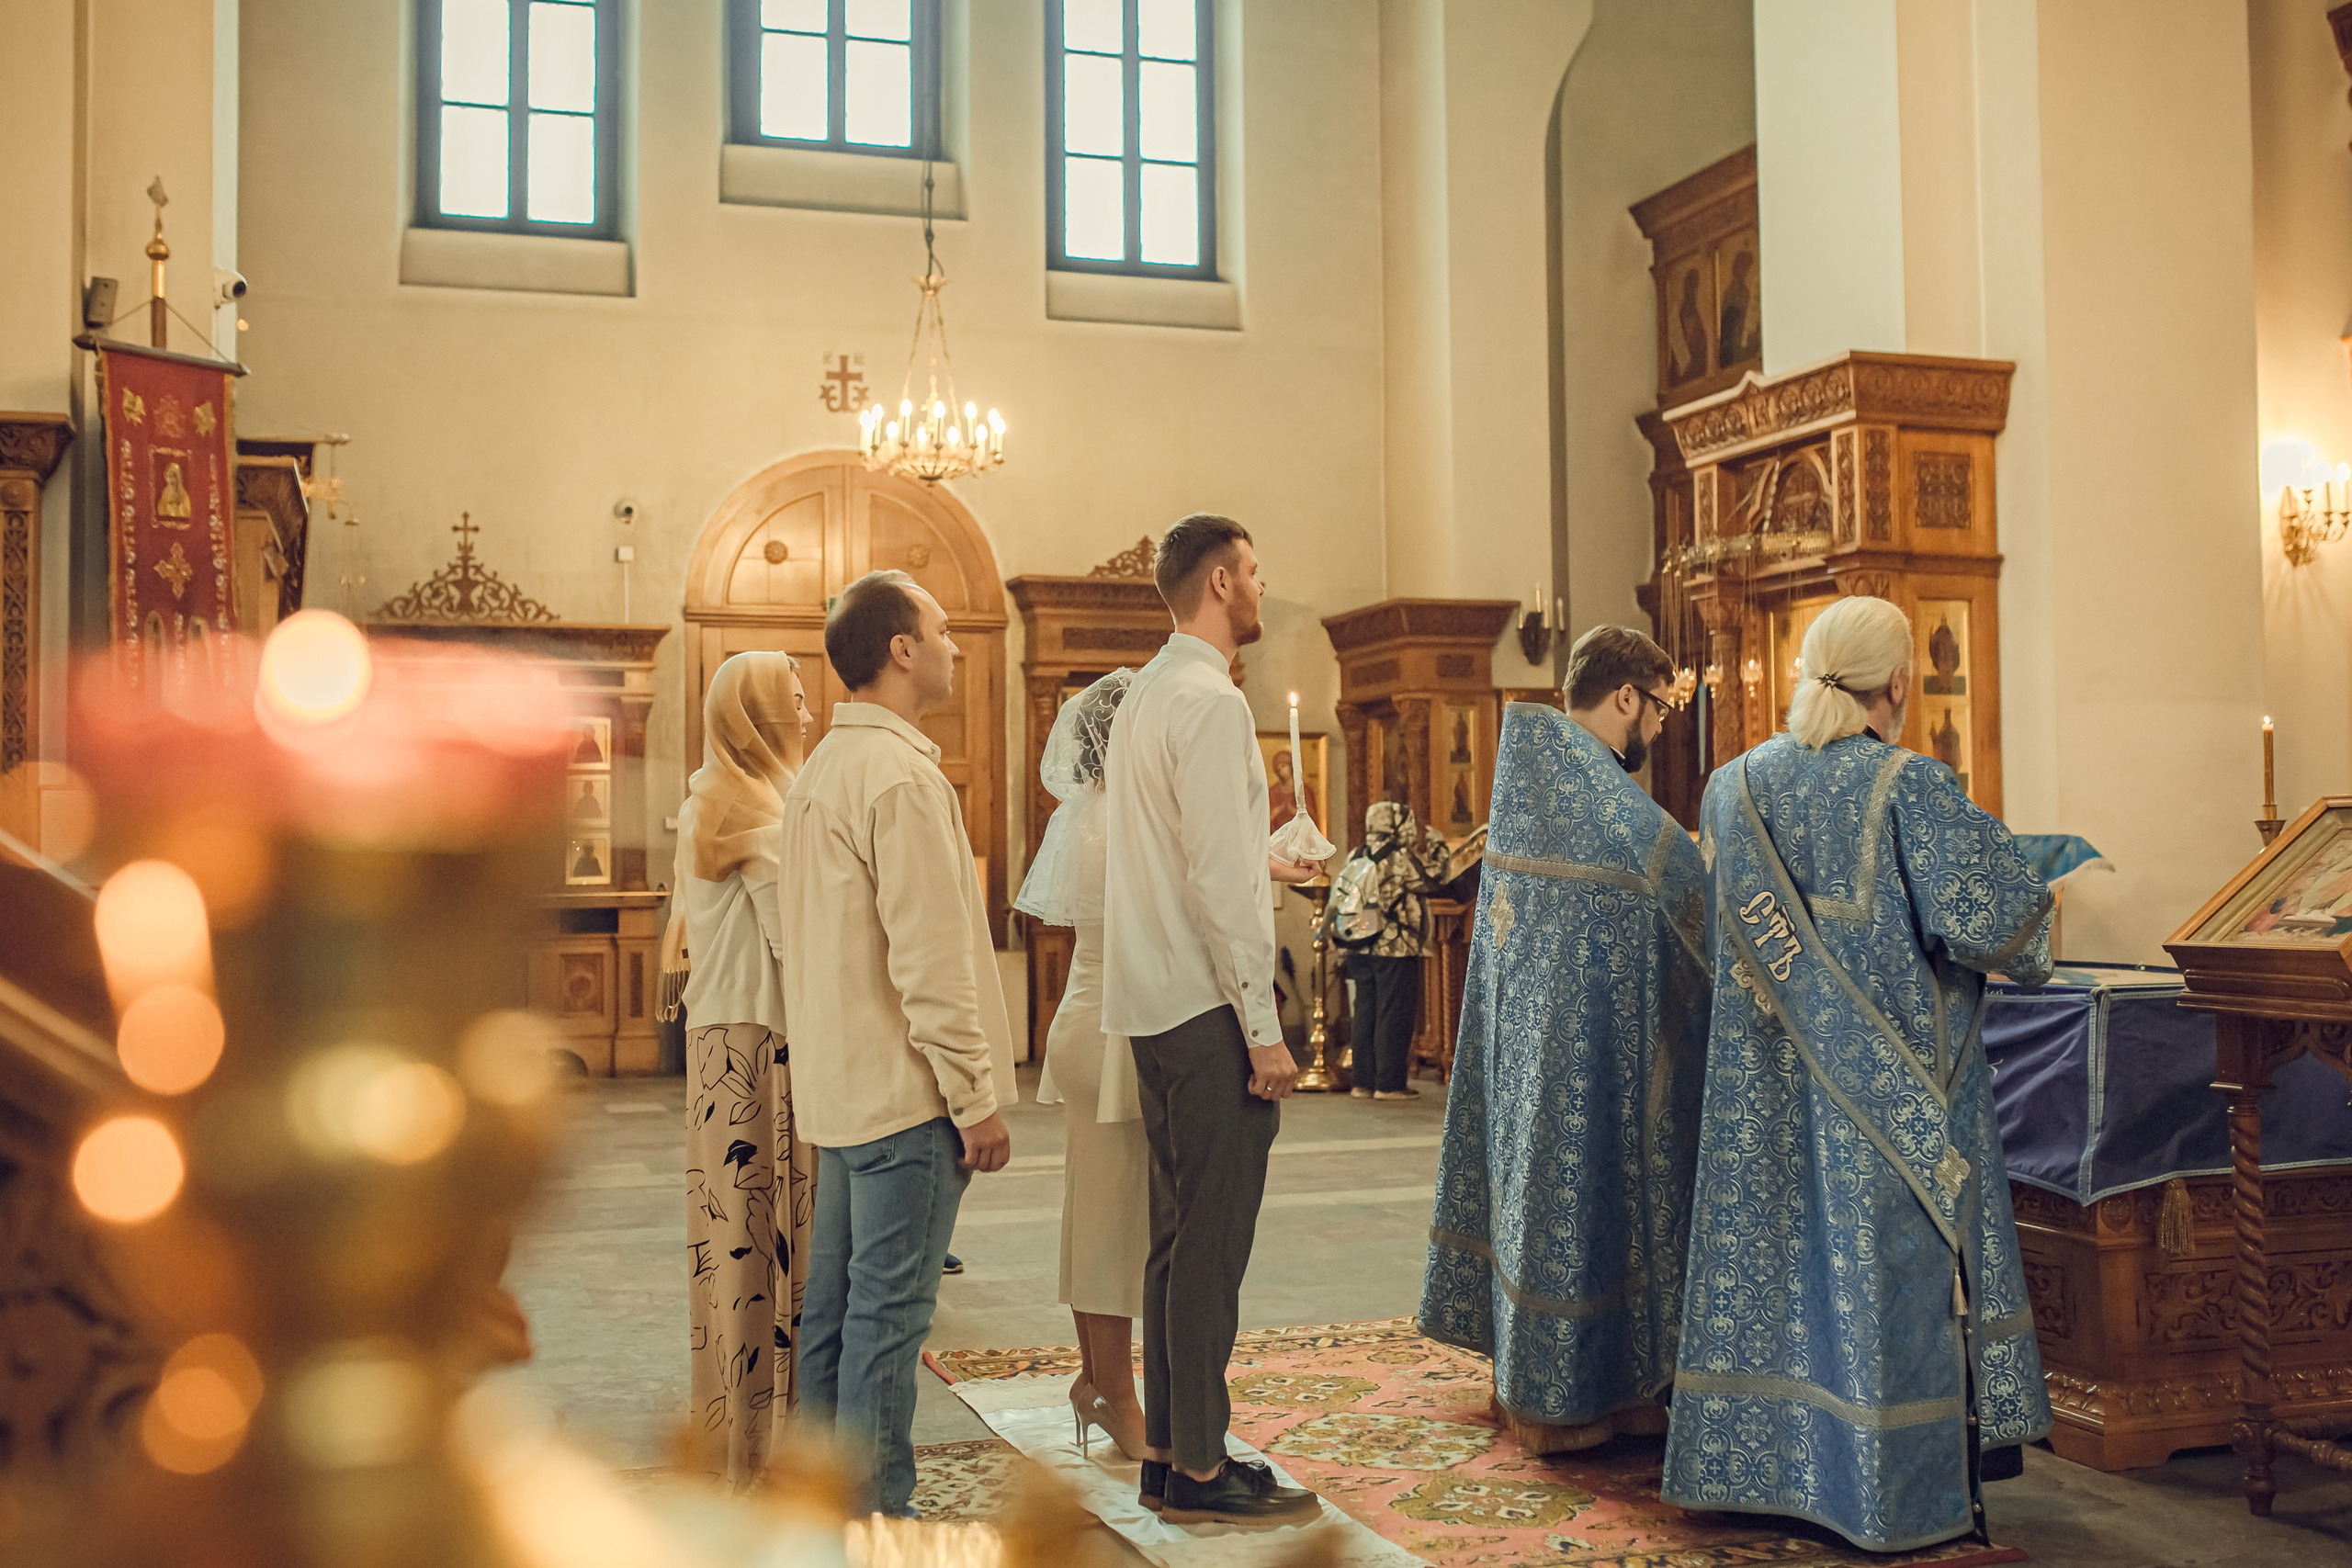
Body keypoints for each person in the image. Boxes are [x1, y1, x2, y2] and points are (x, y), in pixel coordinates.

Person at [1660, 594, 2054, 1553]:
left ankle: (1757, 1471)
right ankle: (1884, 1491)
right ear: (1899, 683)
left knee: (1774, 1265)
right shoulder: (1909, 785)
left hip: (1759, 1093)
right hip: (1887, 1105)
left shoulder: (1730, 787)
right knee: (1878, 1278)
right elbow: (1999, 924)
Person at [1419, 626, 1711, 1453]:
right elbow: (1693, 908)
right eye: (1659, 707)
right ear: (1626, 697)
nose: (1660, 725)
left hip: (1524, 1058)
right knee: (1590, 1199)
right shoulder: (1617, 812)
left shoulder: (1529, 782)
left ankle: (1530, 1381)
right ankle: (1581, 1398)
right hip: (1588, 1063)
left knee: (1534, 1195)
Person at [777, 570, 1018, 1517]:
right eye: (943, 630)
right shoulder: (902, 777)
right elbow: (929, 959)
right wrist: (974, 1096)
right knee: (888, 1319)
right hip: (906, 1095)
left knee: (835, 1315)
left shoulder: (823, 770)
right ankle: (878, 1519)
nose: (955, 646)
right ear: (902, 650)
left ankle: (820, 1510)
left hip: (844, 1092)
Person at [1102, 513, 1325, 1526]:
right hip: (1204, 1006)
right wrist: (1262, 1028)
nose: (1262, 588)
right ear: (1221, 583)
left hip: (1152, 999)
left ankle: (1165, 1451)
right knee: (1212, 1245)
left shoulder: (1147, 695)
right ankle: (1200, 1466)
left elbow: (1184, 853)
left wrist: (1262, 859)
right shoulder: (1212, 701)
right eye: (1255, 573)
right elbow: (1215, 885)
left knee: (1175, 1235)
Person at [664, 650, 819, 1488]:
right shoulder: (756, 807)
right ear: (758, 717)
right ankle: (769, 1450)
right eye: (793, 701)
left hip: (718, 1043)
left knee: (729, 1251)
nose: (808, 715)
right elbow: (798, 943)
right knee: (765, 1246)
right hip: (761, 1048)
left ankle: (732, 1432)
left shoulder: (709, 795)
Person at [1013, 670, 1149, 1462]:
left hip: (1091, 1021)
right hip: (1109, 1035)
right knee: (1110, 1222)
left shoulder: (1090, 811)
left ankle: (1096, 1380)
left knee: (1095, 1210)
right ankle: (1115, 1394)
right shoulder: (1120, 819)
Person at [1320, 799, 1451, 1100]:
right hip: (1395, 946)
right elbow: (1436, 879)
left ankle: (1362, 1083)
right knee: (1394, 1013)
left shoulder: (1357, 854)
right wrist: (1438, 846)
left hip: (1359, 945)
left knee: (1365, 1012)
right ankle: (1389, 1084)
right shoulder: (1400, 858)